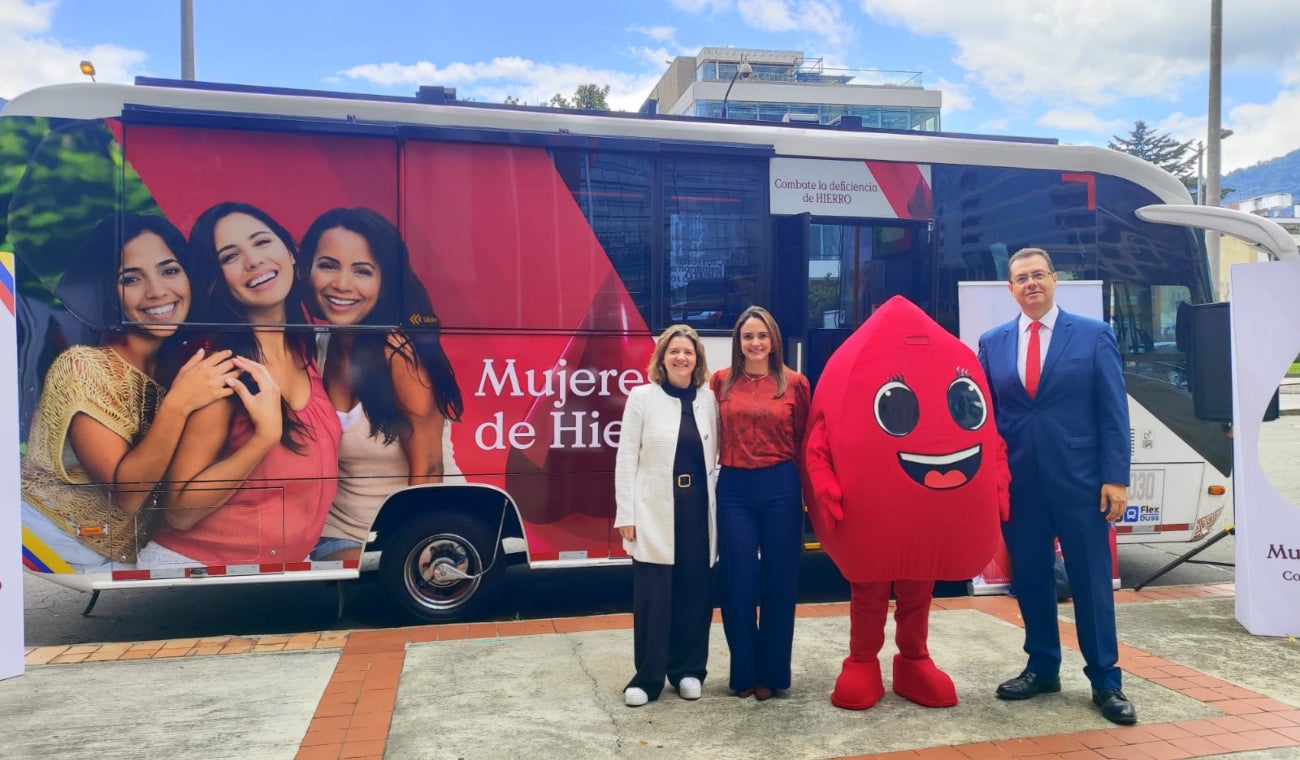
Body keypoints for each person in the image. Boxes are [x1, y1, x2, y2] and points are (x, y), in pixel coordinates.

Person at [21, 214, 238, 573]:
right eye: (131, 279)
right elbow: (129, 495)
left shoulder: (176, 364)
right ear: (108, 289)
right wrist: (180, 403)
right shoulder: (83, 366)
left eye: (169, 270)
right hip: (49, 540)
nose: (156, 291)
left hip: (111, 555)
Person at [977, 247, 1136, 725]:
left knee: (1089, 583)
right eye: (1021, 278)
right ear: (1010, 288)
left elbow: (1113, 412)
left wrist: (1116, 478)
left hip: (1082, 484)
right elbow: (987, 418)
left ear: (1054, 280)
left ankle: (1106, 681)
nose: (1031, 283)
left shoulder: (1092, 335)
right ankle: (1042, 666)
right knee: (1031, 579)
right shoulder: (993, 341)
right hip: (1021, 485)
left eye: (1039, 275)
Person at [140, 202, 342, 566]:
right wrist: (263, 438)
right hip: (198, 575)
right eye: (231, 256)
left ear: (290, 253)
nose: (253, 261)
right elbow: (180, 512)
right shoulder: (222, 371)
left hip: (270, 581)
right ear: (218, 281)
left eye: (262, 242)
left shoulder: (306, 350)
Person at [297, 207, 465, 562]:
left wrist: (415, 556)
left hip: (415, 532)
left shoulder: (397, 351)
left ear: (385, 281)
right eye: (328, 265)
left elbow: (429, 469)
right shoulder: (315, 345)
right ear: (307, 270)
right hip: (334, 535)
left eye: (362, 270)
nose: (342, 284)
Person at [615, 324, 718, 707]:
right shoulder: (642, 397)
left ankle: (689, 671)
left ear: (697, 359)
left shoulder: (708, 401)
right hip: (654, 509)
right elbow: (626, 458)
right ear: (662, 357)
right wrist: (626, 512)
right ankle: (648, 677)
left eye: (688, 352)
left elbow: (718, 455)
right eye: (673, 351)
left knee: (695, 592)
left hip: (697, 511)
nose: (681, 357)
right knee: (654, 597)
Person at [710, 306, 810, 701]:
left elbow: (803, 441)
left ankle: (772, 674)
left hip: (781, 486)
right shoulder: (720, 382)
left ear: (774, 342)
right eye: (748, 336)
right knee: (737, 582)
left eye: (762, 336)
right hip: (733, 487)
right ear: (738, 342)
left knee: (780, 582)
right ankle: (744, 673)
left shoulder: (795, 383)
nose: (755, 343)